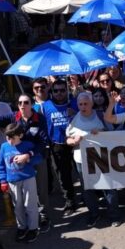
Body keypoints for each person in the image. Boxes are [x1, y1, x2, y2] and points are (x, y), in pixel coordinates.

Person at [0, 93, 51, 232]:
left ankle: (43, 216)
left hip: (36, 157)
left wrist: (29, 155)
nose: (22, 106)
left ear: (32, 104)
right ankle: (27, 221)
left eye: (26, 102)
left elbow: (43, 142)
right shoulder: (13, 117)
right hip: (17, 162)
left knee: (41, 188)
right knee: (22, 195)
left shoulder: (40, 118)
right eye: (20, 103)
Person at [66, 92, 117, 227]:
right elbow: (68, 139)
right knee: (87, 189)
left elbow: (112, 133)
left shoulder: (100, 115)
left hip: (101, 157)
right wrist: (73, 141)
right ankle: (94, 214)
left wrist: (101, 133)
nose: (83, 107)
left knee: (108, 186)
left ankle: (113, 215)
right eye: (80, 104)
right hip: (81, 159)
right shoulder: (74, 119)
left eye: (86, 103)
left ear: (92, 104)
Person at [0, 123, 42, 243]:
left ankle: (33, 228)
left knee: (30, 204)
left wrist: (27, 158)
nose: (10, 140)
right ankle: (22, 227)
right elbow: (1, 165)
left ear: (20, 135)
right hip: (12, 181)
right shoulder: (4, 147)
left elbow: (38, 158)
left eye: (13, 137)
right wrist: (3, 181)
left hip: (28, 178)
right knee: (18, 206)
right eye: (8, 137)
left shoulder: (28, 145)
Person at [42, 78, 78, 215]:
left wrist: (74, 113)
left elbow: (86, 116)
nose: (59, 93)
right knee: (63, 176)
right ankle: (70, 202)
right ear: (52, 92)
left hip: (75, 142)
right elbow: (43, 125)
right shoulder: (46, 105)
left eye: (62, 90)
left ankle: (90, 197)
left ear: (67, 90)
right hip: (57, 145)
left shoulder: (74, 103)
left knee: (81, 172)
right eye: (56, 90)